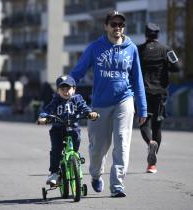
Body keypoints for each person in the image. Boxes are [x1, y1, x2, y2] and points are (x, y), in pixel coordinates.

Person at [69, 10, 147, 197]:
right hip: (100, 104)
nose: (117, 28)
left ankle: (117, 185)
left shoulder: (131, 48)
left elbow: (137, 80)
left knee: (122, 141)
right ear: (106, 26)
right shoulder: (95, 47)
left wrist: (142, 108)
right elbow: (78, 71)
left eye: (120, 24)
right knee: (98, 147)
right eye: (113, 24)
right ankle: (96, 175)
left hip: (124, 100)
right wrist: (67, 86)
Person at [38, 75, 99, 185]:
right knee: (56, 150)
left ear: (74, 89)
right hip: (58, 129)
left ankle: (74, 157)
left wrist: (90, 113)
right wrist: (43, 117)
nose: (65, 92)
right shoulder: (56, 100)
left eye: (68, 89)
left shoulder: (77, 99)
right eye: (62, 89)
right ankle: (54, 173)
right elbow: (48, 110)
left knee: (76, 142)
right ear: (58, 90)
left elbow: (84, 107)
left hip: (73, 127)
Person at [138, 23, 180, 174]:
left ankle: (150, 143)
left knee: (144, 123)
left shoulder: (139, 50)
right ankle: (152, 165)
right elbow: (177, 67)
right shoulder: (166, 49)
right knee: (157, 126)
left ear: (146, 34)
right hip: (161, 92)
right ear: (158, 35)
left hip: (143, 93)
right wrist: (164, 66)